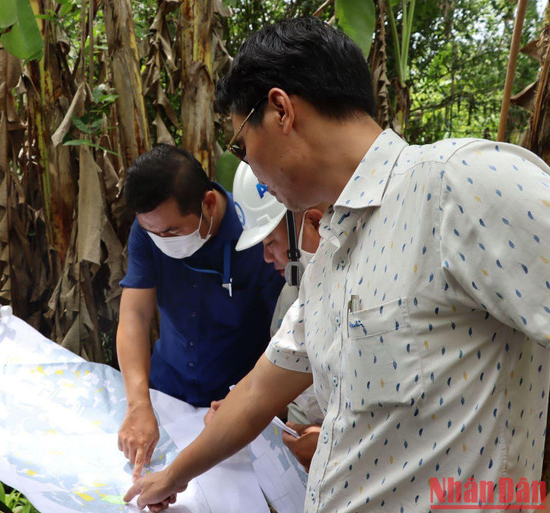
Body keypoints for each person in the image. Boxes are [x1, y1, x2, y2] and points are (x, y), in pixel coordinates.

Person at [125, 16, 550, 512]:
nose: (247, 165)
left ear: (281, 110)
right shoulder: (331, 258)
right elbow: (258, 392)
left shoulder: (459, 184)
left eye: (240, 145)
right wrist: (171, 476)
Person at [116, 145, 283, 479]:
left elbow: (284, 336)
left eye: (171, 232)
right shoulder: (148, 231)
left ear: (208, 203)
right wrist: (138, 404)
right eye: (153, 233)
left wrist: (243, 400)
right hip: (166, 394)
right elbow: (134, 315)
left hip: (236, 403)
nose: (162, 241)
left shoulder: (258, 233)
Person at [205, 161, 325, 470]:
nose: (266, 257)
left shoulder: (368, 290)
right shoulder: (290, 297)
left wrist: (332, 443)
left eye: (271, 243)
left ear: (313, 222)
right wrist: (241, 409)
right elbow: (285, 389)